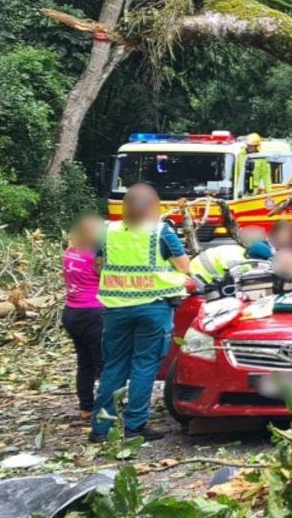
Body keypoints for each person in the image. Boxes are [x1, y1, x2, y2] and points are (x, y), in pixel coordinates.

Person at [90, 183, 192, 443]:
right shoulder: (161, 232)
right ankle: (134, 426)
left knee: (113, 366)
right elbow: (184, 268)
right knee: (144, 365)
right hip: (154, 308)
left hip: (115, 308)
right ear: (154, 208)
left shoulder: (107, 231)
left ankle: (101, 429)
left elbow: (98, 266)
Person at [62, 215, 105, 420]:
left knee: (84, 362)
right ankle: (108, 407)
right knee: (103, 363)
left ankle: (86, 407)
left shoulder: (69, 253)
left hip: (71, 312)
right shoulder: (94, 257)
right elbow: (107, 277)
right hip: (93, 312)